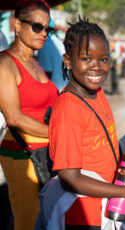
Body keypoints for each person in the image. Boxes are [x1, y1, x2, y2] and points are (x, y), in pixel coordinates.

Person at [49, 17, 125, 229]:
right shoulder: (69, 109)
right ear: (67, 61)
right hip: (84, 214)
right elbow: (69, 177)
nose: (97, 67)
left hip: (106, 204)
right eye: (86, 58)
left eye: (103, 59)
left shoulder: (96, 92)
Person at [0, 1, 59, 229]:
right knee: (29, 221)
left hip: (47, 152)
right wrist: (60, 133)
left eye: (48, 29)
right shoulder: (6, 62)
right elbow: (13, 117)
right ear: (16, 24)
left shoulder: (34, 62)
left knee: (49, 219)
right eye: (37, 26)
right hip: (22, 154)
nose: (43, 33)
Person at [37, 20, 68, 91]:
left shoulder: (45, 45)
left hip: (56, 91)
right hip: (64, 87)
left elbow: (46, 73)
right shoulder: (57, 41)